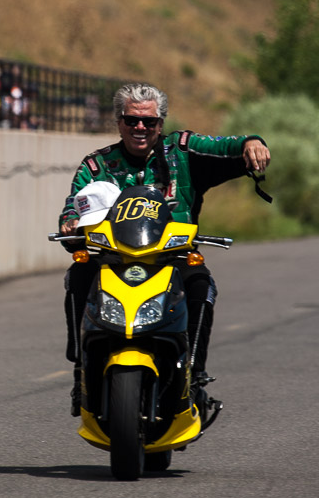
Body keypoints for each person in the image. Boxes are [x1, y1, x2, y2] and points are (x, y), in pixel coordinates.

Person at [58, 82, 271, 415]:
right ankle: (81, 370)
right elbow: (74, 204)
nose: (140, 128)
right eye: (131, 120)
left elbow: (229, 146)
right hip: (113, 260)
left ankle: (195, 376)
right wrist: (70, 224)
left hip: (174, 259)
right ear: (119, 122)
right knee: (80, 273)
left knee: (201, 282)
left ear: (161, 123)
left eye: (150, 122)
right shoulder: (97, 165)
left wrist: (252, 143)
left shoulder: (184, 149)